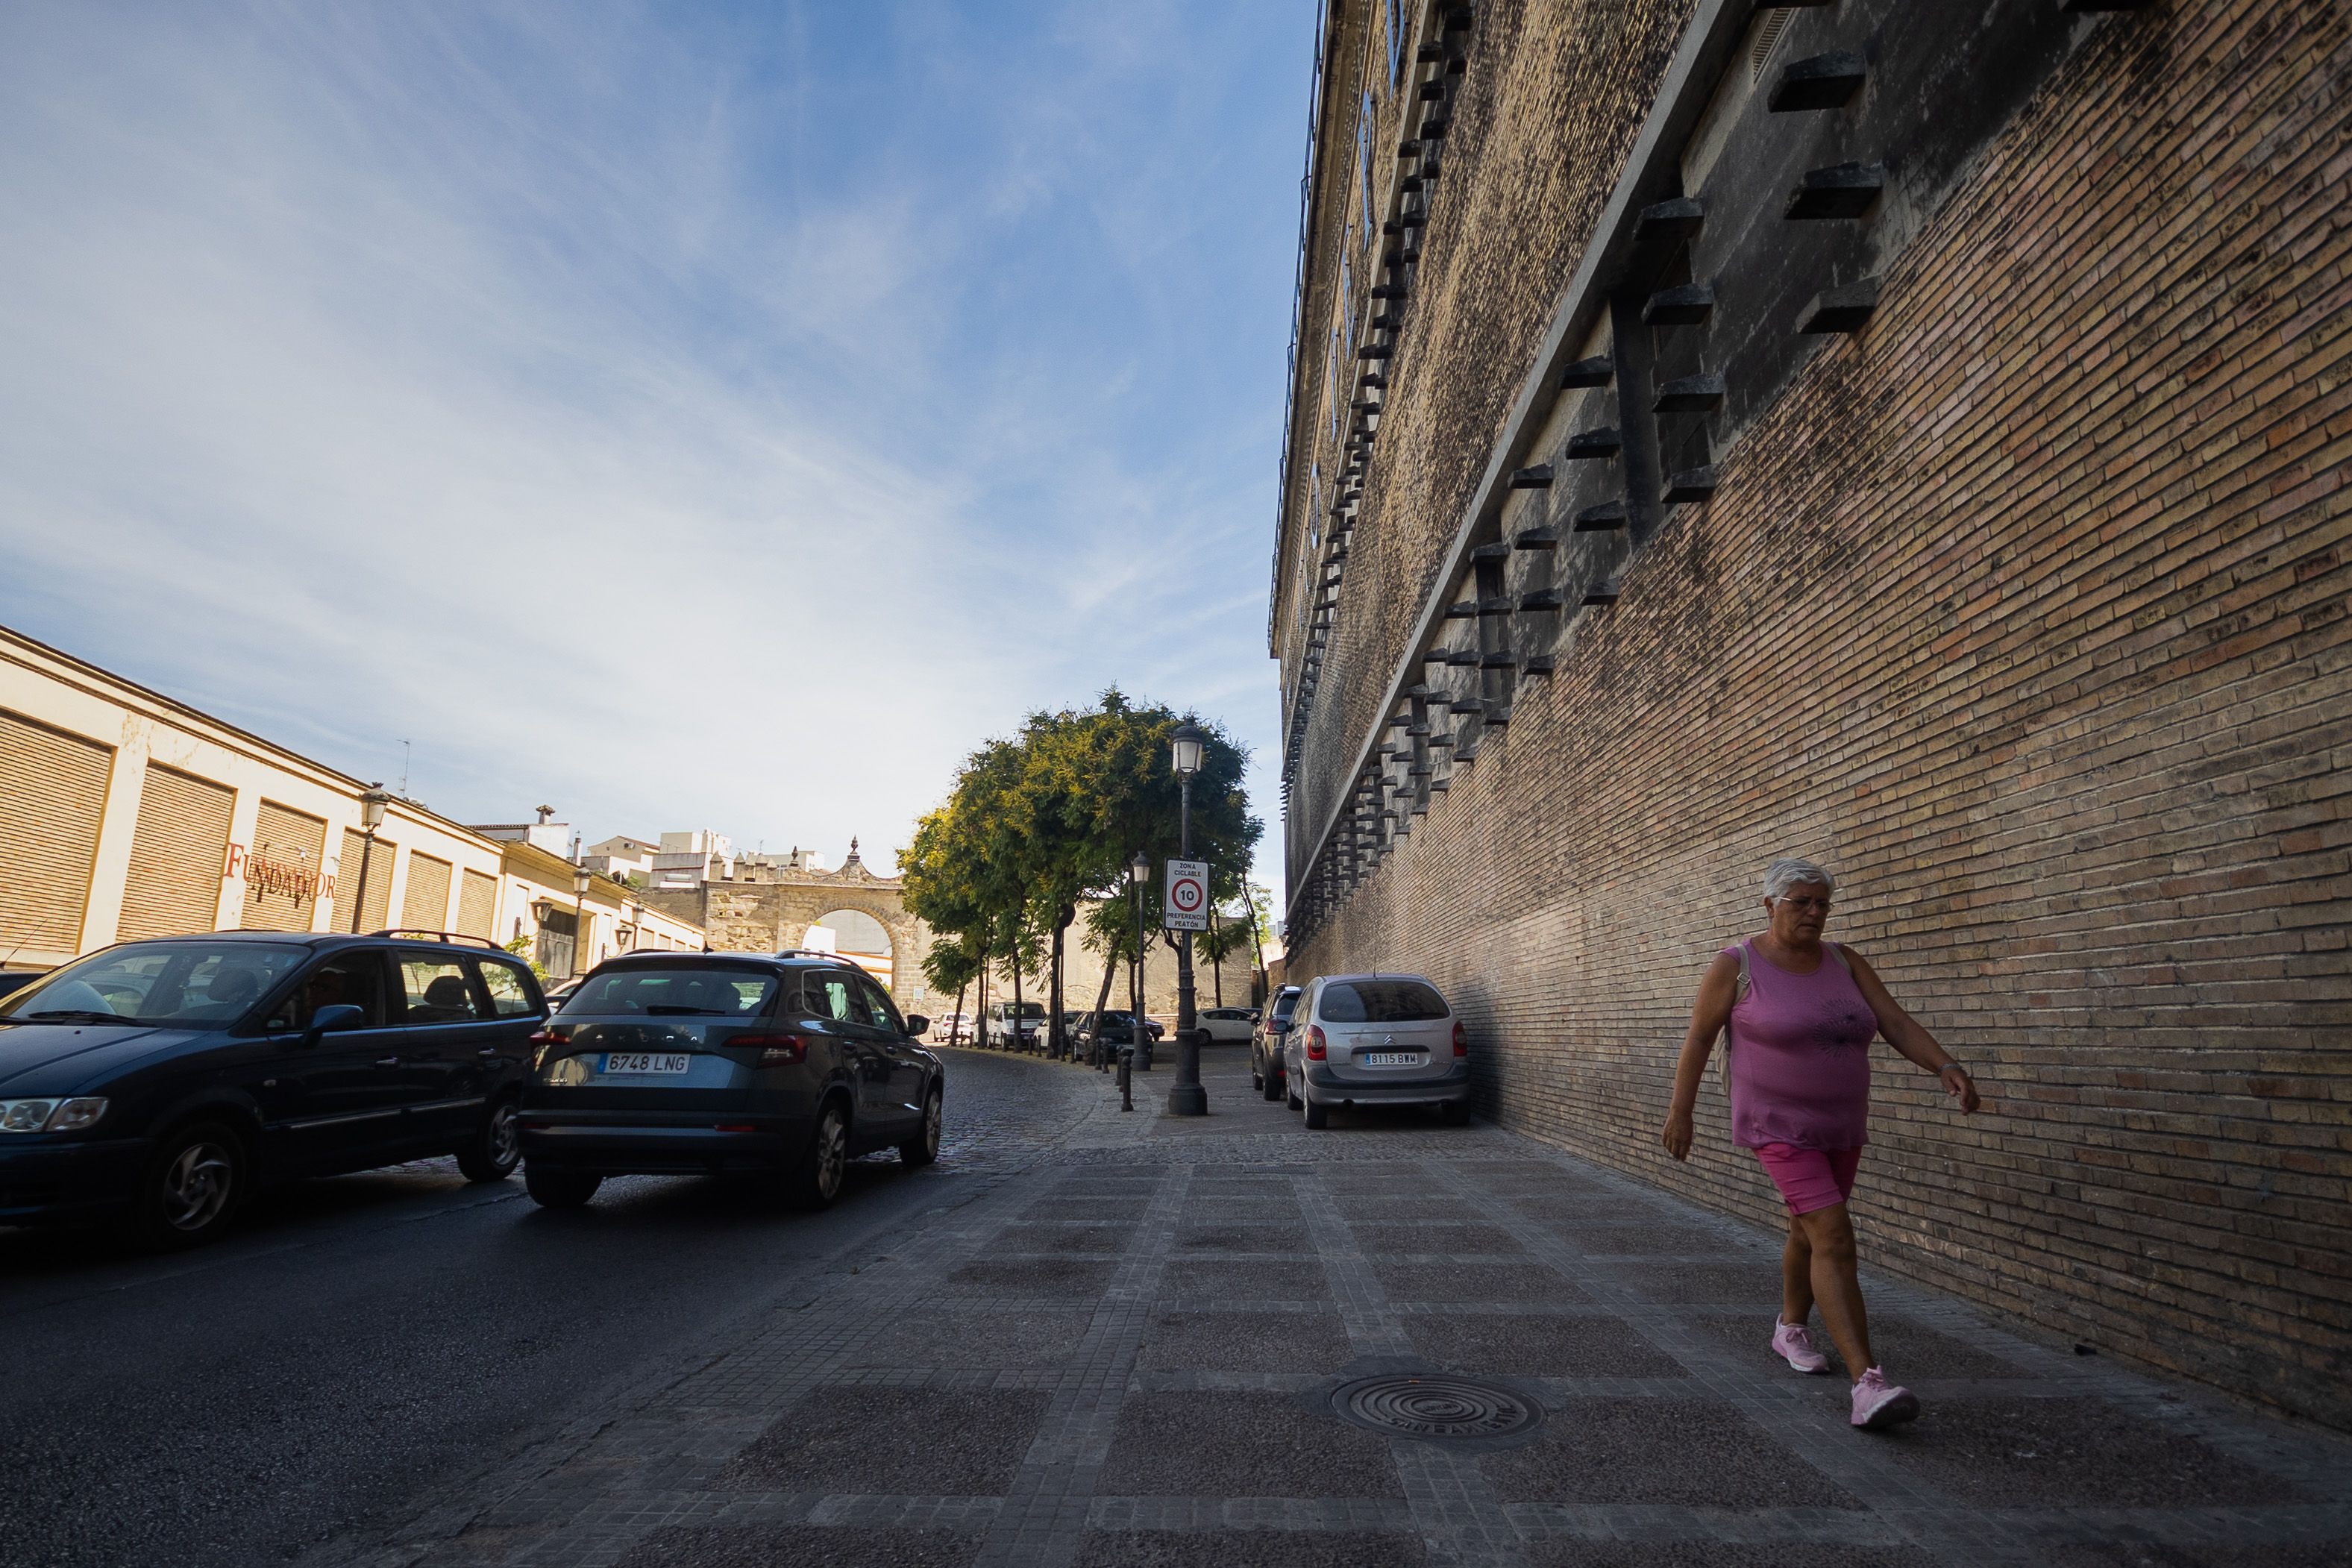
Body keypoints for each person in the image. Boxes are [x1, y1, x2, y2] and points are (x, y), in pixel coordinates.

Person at [1661, 856, 1981, 1431]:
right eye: (1799, 902)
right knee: (1832, 1233)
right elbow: (1699, 1039)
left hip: (1839, 1124)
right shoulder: (1736, 965)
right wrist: (1680, 1114)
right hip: (1776, 1125)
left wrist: (1944, 1065)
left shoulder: (1844, 962)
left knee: (1805, 1229)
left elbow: (1895, 1022)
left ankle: (1789, 1328)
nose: (1813, 913)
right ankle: (1868, 1383)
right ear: (1769, 905)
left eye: (1821, 904)